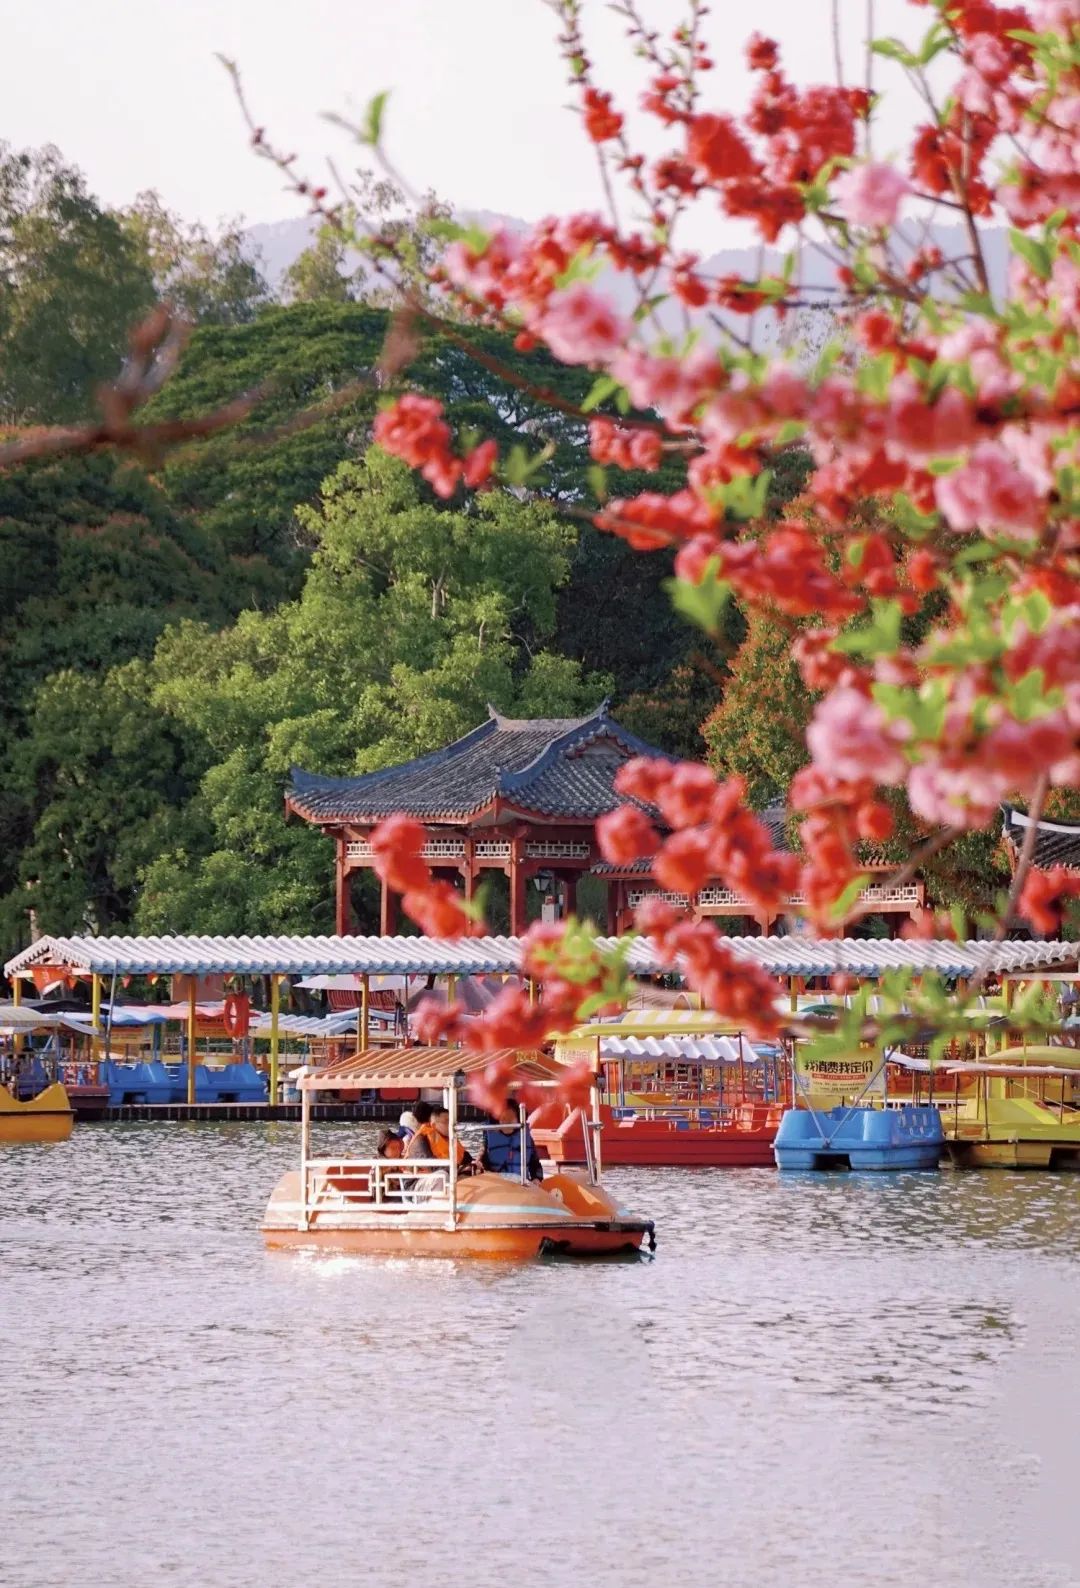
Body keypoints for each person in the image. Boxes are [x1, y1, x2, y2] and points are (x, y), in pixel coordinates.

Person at [480, 1097, 544, 1182]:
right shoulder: (489, 1138)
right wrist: (479, 1164)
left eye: (510, 1118)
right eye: (503, 1117)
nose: (506, 1121)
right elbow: (481, 1158)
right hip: (498, 1184)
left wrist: (536, 1179)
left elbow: (535, 1164)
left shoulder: (525, 1138)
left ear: (518, 1119)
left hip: (521, 1185)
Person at [411, 1103, 479, 1172]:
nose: (451, 1125)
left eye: (451, 1121)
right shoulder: (421, 1138)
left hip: (451, 1174)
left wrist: (474, 1163)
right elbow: (431, 1166)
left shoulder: (448, 1136)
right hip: (421, 1179)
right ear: (434, 1124)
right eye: (447, 1121)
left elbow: (464, 1157)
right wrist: (459, 1169)